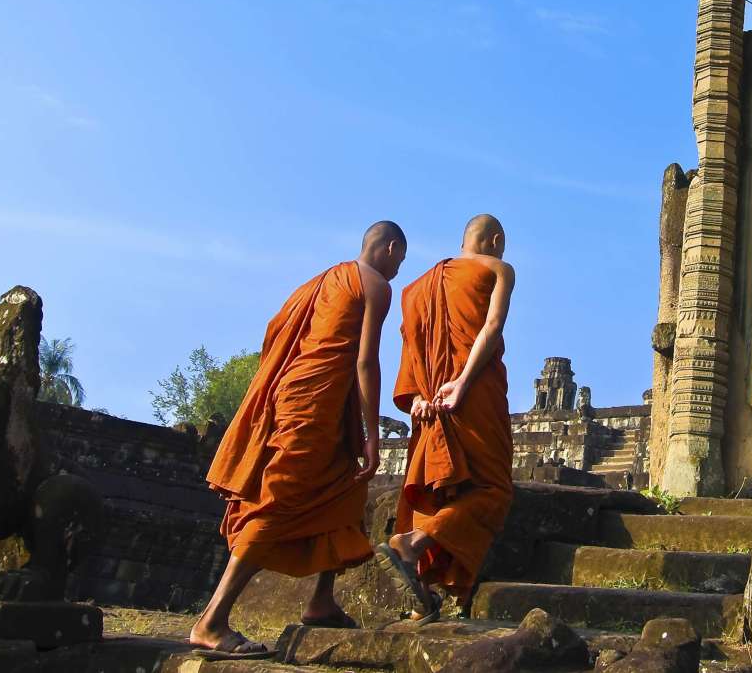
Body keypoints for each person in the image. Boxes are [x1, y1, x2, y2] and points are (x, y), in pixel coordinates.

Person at [190, 221, 407, 657]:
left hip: (304, 396)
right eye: (400, 258)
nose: (399, 267)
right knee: (277, 501)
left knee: (344, 493)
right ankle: (211, 621)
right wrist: (370, 434)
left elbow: (276, 332)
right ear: (389, 247)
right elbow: (366, 362)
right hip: (312, 405)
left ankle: (321, 601)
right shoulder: (376, 286)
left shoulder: (323, 280)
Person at [380, 213, 516, 620]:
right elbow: (490, 329)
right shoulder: (499, 269)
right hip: (469, 395)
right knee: (493, 489)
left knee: (440, 487)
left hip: (429, 405)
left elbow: (410, 345)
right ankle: (414, 544)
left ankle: (421, 594)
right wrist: (461, 382)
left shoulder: (417, 287)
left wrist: (417, 396)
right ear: (494, 241)